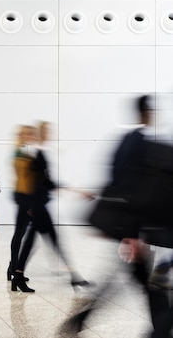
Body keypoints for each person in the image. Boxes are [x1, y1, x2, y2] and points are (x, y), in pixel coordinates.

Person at [62, 95, 173, 338]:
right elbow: (134, 190)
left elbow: (115, 182)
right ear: (148, 113)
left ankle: (84, 318)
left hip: (130, 227)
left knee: (136, 280)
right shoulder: (142, 146)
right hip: (138, 229)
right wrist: (132, 234)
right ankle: (161, 330)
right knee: (151, 284)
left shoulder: (126, 141)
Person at [12, 122, 89, 288]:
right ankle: (73, 275)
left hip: (39, 203)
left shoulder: (37, 153)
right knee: (49, 240)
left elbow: (45, 182)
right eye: (47, 131)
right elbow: (38, 183)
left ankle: (18, 274)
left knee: (37, 240)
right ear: (41, 134)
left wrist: (73, 191)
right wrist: (76, 191)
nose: (50, 134)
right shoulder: (36, 155)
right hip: (38, 205)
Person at [7, 125, 37, 292]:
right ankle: (15, 271)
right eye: (29, 134)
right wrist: (29, 204)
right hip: (24, 199)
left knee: (21, 234)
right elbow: (23, 180)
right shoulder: (19, 153)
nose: (31, 136)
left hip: (23, 198)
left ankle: (13, 268)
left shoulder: (21, 151)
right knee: (21, 235)